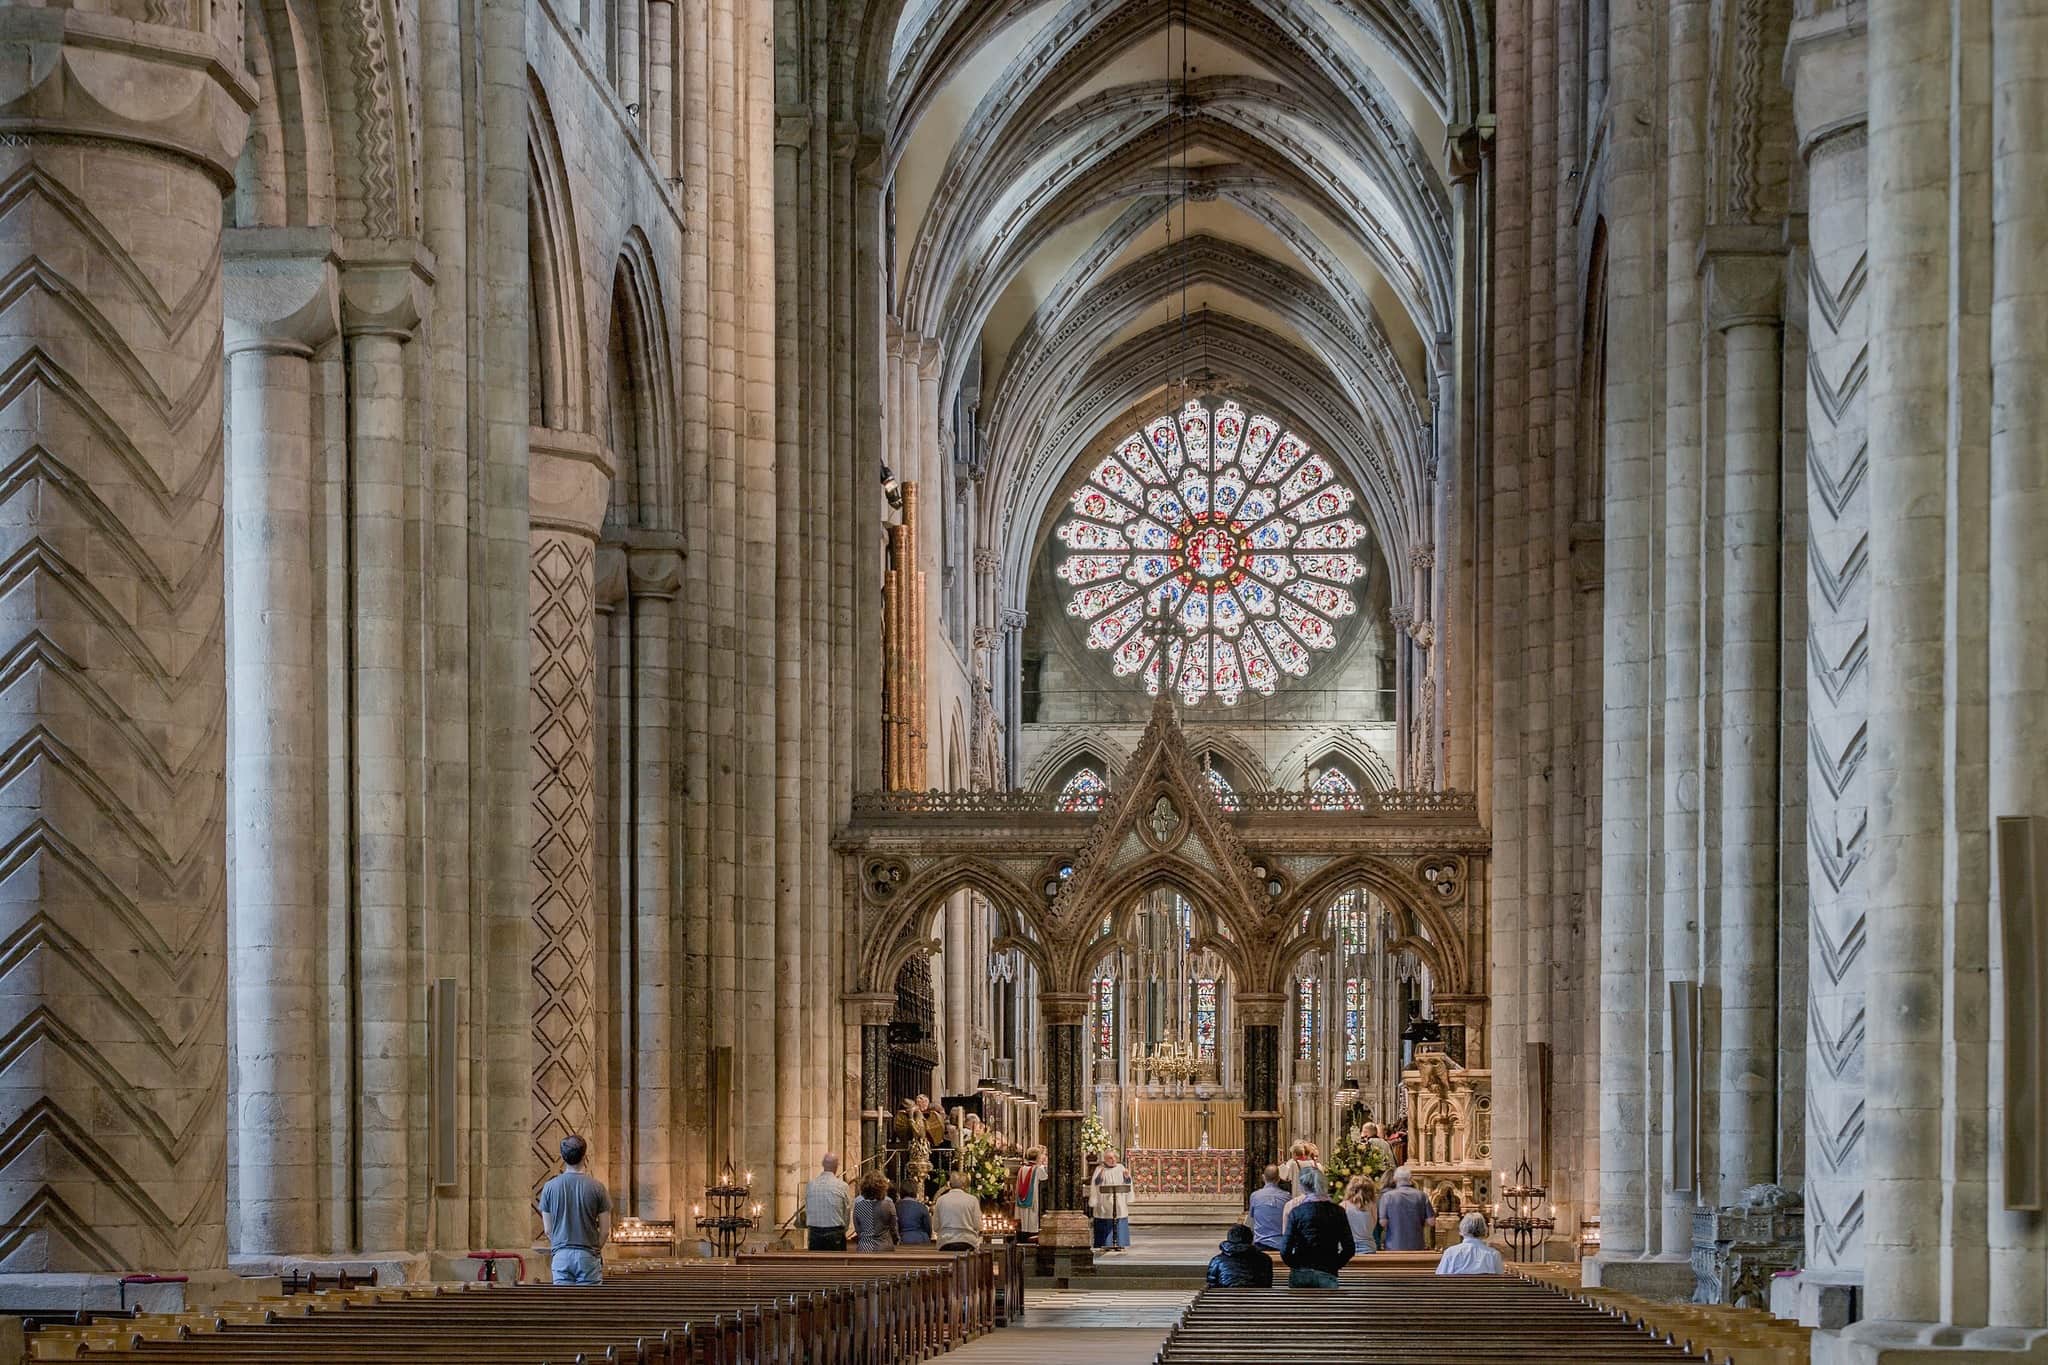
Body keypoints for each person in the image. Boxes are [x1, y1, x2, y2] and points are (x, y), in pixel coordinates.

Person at [536, 1134, 613, 1285]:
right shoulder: (597, 1187)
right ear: (584, 1157)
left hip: (561, 1255)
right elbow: (605, 1231)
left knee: (564, 1305)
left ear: (562, 1158)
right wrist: (595, 1250)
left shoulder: (549, 1187)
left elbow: (548, 1229)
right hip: (588, 1253)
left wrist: (560, 1246)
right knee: (588, 1305)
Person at [1279, 1168, 1355, 1287]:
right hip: (1327, 1272)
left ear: (1302, 1187)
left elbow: (1285, 1249)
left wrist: (1297, 1264)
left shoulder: (1297, 1212)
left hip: (1301, 1273)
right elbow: (1349, 1248)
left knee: (1299, 1305)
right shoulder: (1338, 1211)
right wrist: (1334, 1264)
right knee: (1328, 1305)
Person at [803, 1152, 854, 1251]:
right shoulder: (842, 1186)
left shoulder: (811, 1185)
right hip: (835, 1234)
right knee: (836, 1265)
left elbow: (807, 1208)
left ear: (822, 1164)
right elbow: (847, 1211)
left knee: (816, 1265)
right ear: (836, 1166)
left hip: (814, 1233)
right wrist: (844, 1229)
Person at [1378, 1166, 1435, 1251]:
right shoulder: (1421, 1195)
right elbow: (1431, 1222)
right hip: (1417, 1244)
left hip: (1394, 1245)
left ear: (1395, 1178)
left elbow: (1383, 1222)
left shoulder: (1387, 1196)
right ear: (1411, 1178)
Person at [1090, 1149, 1133, 1252]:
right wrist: (1100, 1176)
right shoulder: (1100, 1169)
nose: (1113, 1160)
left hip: (1118, 1201)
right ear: (1105, 1159)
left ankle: (1120, 1242)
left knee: (1119, 1218)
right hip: (1104, 1202)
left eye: (1114, 1157)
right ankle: (1105, 1243)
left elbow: (1127, 1183)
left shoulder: (1121, 1168)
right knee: (1104, 1219)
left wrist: (1127, 1177)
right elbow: (1096, 1184)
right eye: (1110, 1158)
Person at [1205, 1223, 1275, 1287]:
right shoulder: (1265, 1259)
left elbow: (1212, 1285)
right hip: (1257, 1299)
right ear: (1251, 1239)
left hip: (1226, 1298)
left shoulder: (1217, 1261)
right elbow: (1267, 1284)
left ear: (1229, 1239)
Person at [1436, 1213, 1506, 1275]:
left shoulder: (1451, 1252)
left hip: (1457, 1289)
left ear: (1462, 1228)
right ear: (1484, 1230)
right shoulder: (1493, 1254)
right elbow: (1500, 1280)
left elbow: (1440, 1277)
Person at [934, 1172, 983, 1250]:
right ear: (965, 1186)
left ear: (950, 1184)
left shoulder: (941, 1200)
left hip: (945, 1243)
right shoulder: (972, 1200)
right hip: (967, 1242)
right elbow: (978, 1225)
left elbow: (936, 1227)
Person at [852, 1171, 898, 1252]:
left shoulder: (858, 1202)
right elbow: (893, 1227)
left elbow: (858, 1228)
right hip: (884, 1247)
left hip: (864, 1247)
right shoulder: (888, 1203)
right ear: (883, 1186)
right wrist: (896, 1239)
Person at [1247, 1165, 1289, 1251]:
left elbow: (1252, 1218)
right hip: (1281, 1244)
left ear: (1263, 1177)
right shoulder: (1287, 1197)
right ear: (1278, 1179)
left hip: (1260, 1243)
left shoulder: (1255, 1196)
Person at [1015, 1146, 1047, 1240]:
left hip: (1021, 1198)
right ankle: (1031, 1237)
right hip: (1032, 1199)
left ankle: (1023, 1236)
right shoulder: (1037, 1169)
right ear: (1037, 1157)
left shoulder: (1022, 1168)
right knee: (1032, 1220)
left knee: (1025, 1220)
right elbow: (1045, 1177)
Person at [1341, 1175, 1379, 1250]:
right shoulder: (1372, 1206)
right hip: (1368, 1248)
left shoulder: (1343, 1205)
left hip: (1348, 1249)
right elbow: (1373, 1225)